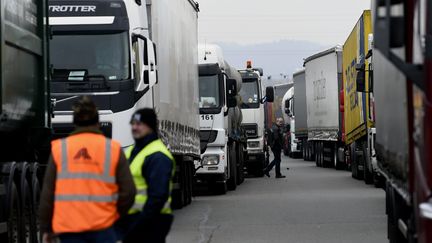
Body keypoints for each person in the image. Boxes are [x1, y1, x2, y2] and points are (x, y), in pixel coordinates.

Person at [39, 96, 136, 243]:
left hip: (69, 230)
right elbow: (128, 191)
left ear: (75, 123)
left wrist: (46, 228)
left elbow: (48, 195)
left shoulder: (60, 149)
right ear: (97, 122)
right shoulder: (112, 149)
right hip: (103, 228)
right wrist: (115, 215)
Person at [116, 108, 175, 243]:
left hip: (151, 221)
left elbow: (158, 197)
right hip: (133, 219)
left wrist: (139, 225)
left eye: (139, 124)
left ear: (150, 126)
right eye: (133, 123)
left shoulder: (158, 156)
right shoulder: (131, 151)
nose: (135, 127)